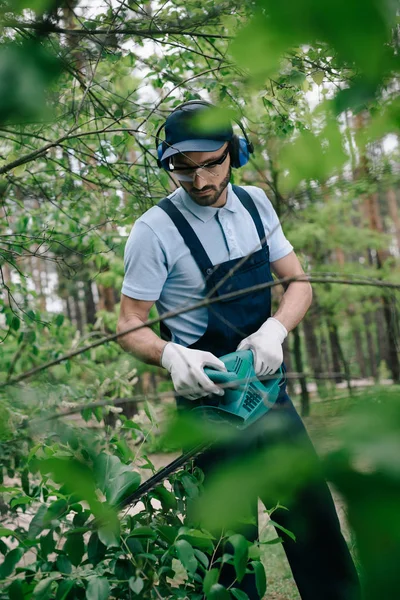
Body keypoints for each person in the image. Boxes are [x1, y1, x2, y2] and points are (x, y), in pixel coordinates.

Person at [117, 101, 361, 599]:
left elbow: (298, 283)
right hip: (209, 410)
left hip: (269, 395)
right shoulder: (154, 231)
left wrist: (275, 329)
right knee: (226, 554)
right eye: (183, 169)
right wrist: (168, 354)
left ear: (236, 152)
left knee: (315, 527)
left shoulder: (255, 205)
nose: (200, 181)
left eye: (211, 163)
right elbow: (128, 324)